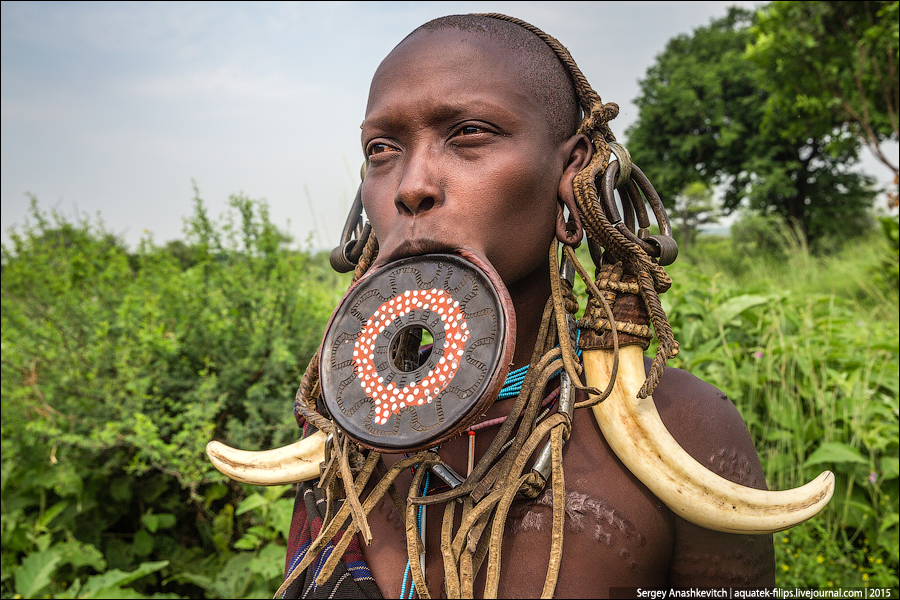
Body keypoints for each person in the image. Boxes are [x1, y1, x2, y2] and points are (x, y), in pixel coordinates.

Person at [280, 13, 776, 598]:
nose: (411, 185)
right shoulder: (343, 436)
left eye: (468, 133)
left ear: (574, 172)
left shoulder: (684, 430)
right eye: (382, 148)